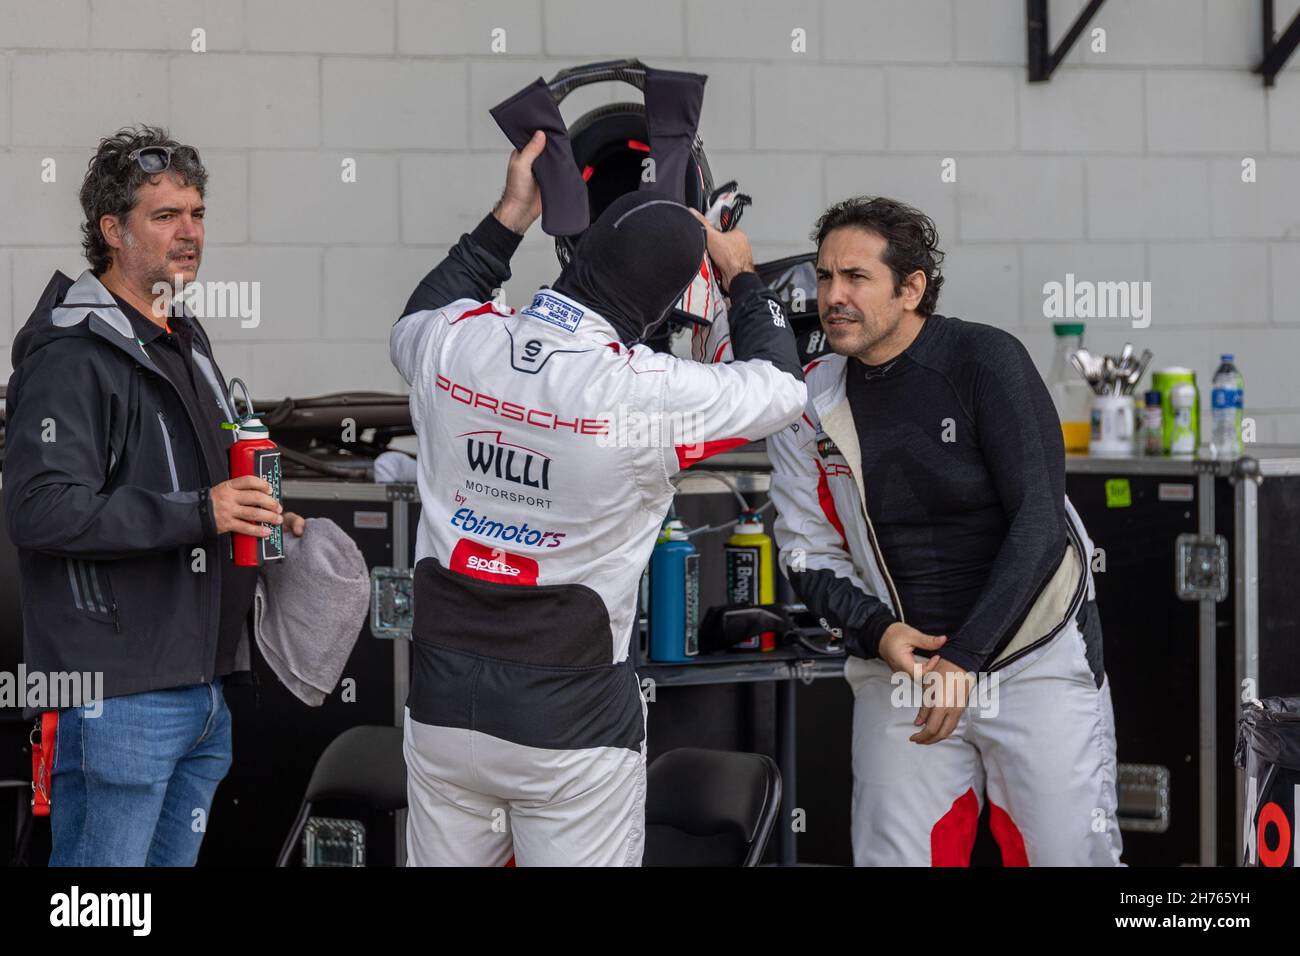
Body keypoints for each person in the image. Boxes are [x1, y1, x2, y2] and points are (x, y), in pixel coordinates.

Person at [392, 131, 807, 866]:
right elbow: (780, 389)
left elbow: (415, 318)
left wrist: (509, 217)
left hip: (442, 711)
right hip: (570, 730)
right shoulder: (643, 391)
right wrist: (742, 279)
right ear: (666, 300)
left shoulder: (460, 340)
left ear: (578, 255)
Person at [767, 196, 1122, 866]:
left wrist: (967, 657)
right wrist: (879, 632)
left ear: (911, 288)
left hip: (1034, 661)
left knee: (1066, 857)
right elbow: (806, 551)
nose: (831, 296)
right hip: (902, 671)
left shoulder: (986, 361)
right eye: (823, 277)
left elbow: (1040, 525)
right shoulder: (808, 400)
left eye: (854, 278)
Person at [4, 125, 304, 866]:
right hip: (120, 696)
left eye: (197, 213)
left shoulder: (183, 341)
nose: (189, 233)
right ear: (112, 231)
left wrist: (260, 515)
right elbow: (39, 509)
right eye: (164, 216)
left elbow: (199, 485)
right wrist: (202, 511)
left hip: (201, 691)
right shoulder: (72, 355)